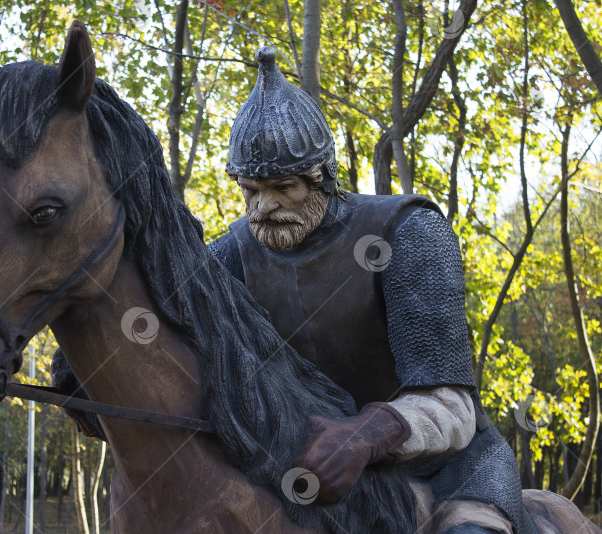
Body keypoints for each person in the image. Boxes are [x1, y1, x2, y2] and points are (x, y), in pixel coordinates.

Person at [207, 46, 534, 534]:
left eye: (283, 189)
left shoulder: (407, 233)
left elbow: (453, 405)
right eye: (251, 191)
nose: (263, 208)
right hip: (310, 480)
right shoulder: (231, 255)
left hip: (444, 472)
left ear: (323, 178)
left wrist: (365, 435)